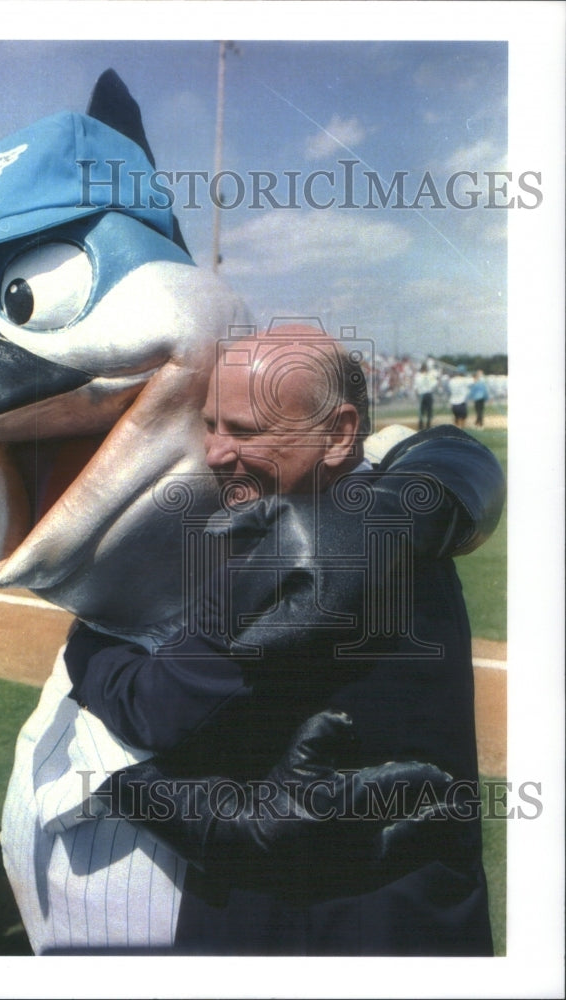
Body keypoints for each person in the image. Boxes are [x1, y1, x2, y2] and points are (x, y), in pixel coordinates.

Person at [58, 328, 505, 955]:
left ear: (341, 432)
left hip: (319, 920)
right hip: (409, 900)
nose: (214, 452)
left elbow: (150, 707)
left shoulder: (297, 559)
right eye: (211, 425)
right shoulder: (387, 520)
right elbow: (448, 452)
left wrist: (87, 636)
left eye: (244, 431)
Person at [414, 361, 438, 430]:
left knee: (421, 411)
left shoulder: (418, 377)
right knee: (429, 410)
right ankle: (428, 425)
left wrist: (417, 395)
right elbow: (434, 384)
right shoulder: (429, 376)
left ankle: (420, 426)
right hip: (428, 394)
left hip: (422, 394)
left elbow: (416, 388)